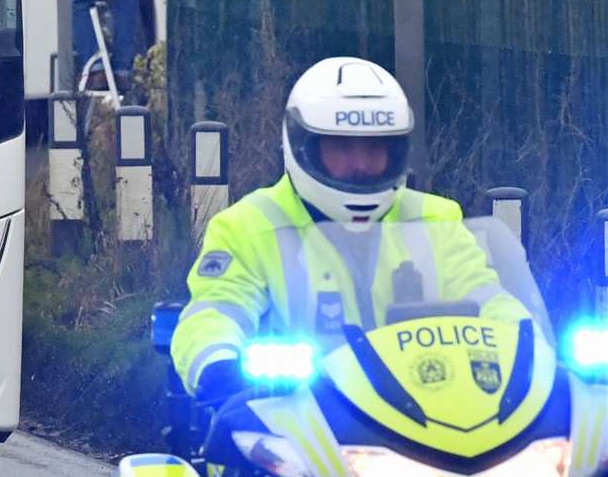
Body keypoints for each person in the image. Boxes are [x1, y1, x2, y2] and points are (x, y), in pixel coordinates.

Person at [171, 57, 527, 409]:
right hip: (297, 426)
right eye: (341, 147)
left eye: (375, 149)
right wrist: (217, 364)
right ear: (302, 146)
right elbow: (215, 313)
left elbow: (487, 298)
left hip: (433, 419)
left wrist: (528, 346)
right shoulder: (247, 226)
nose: (359, 164)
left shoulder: (434, 218)